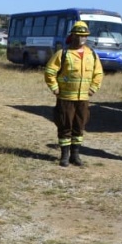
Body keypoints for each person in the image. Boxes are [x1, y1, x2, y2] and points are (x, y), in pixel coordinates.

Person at [43, 21, 103, 166]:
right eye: (78, 36)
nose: (81, 39)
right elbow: (50, 72)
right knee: (65, 125)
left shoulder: (92, 55)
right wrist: (55, 88)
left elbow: (98, 73)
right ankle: (64, 155)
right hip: (65, 97)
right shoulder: (62, 54)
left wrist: (93, 89)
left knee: (79, 126)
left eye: (84, 36)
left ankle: (75, 155)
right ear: (72, 36)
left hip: (83, 98)